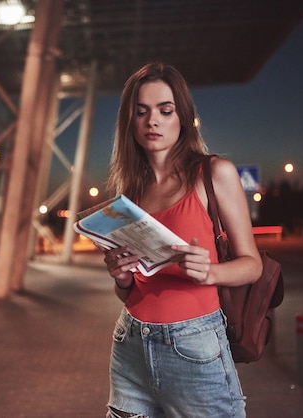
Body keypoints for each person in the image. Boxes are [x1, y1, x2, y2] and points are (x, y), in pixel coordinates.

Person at [102, 62, 263, 418]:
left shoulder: (214, 174)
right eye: (141, 112)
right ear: (130, 122)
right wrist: (122, 276)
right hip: (130, 342)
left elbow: (252, 266)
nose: (152, 121)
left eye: (165, 110)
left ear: (183, 117)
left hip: (194, 345)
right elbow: (132, 289)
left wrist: (210, 272)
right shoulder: (130, 192)